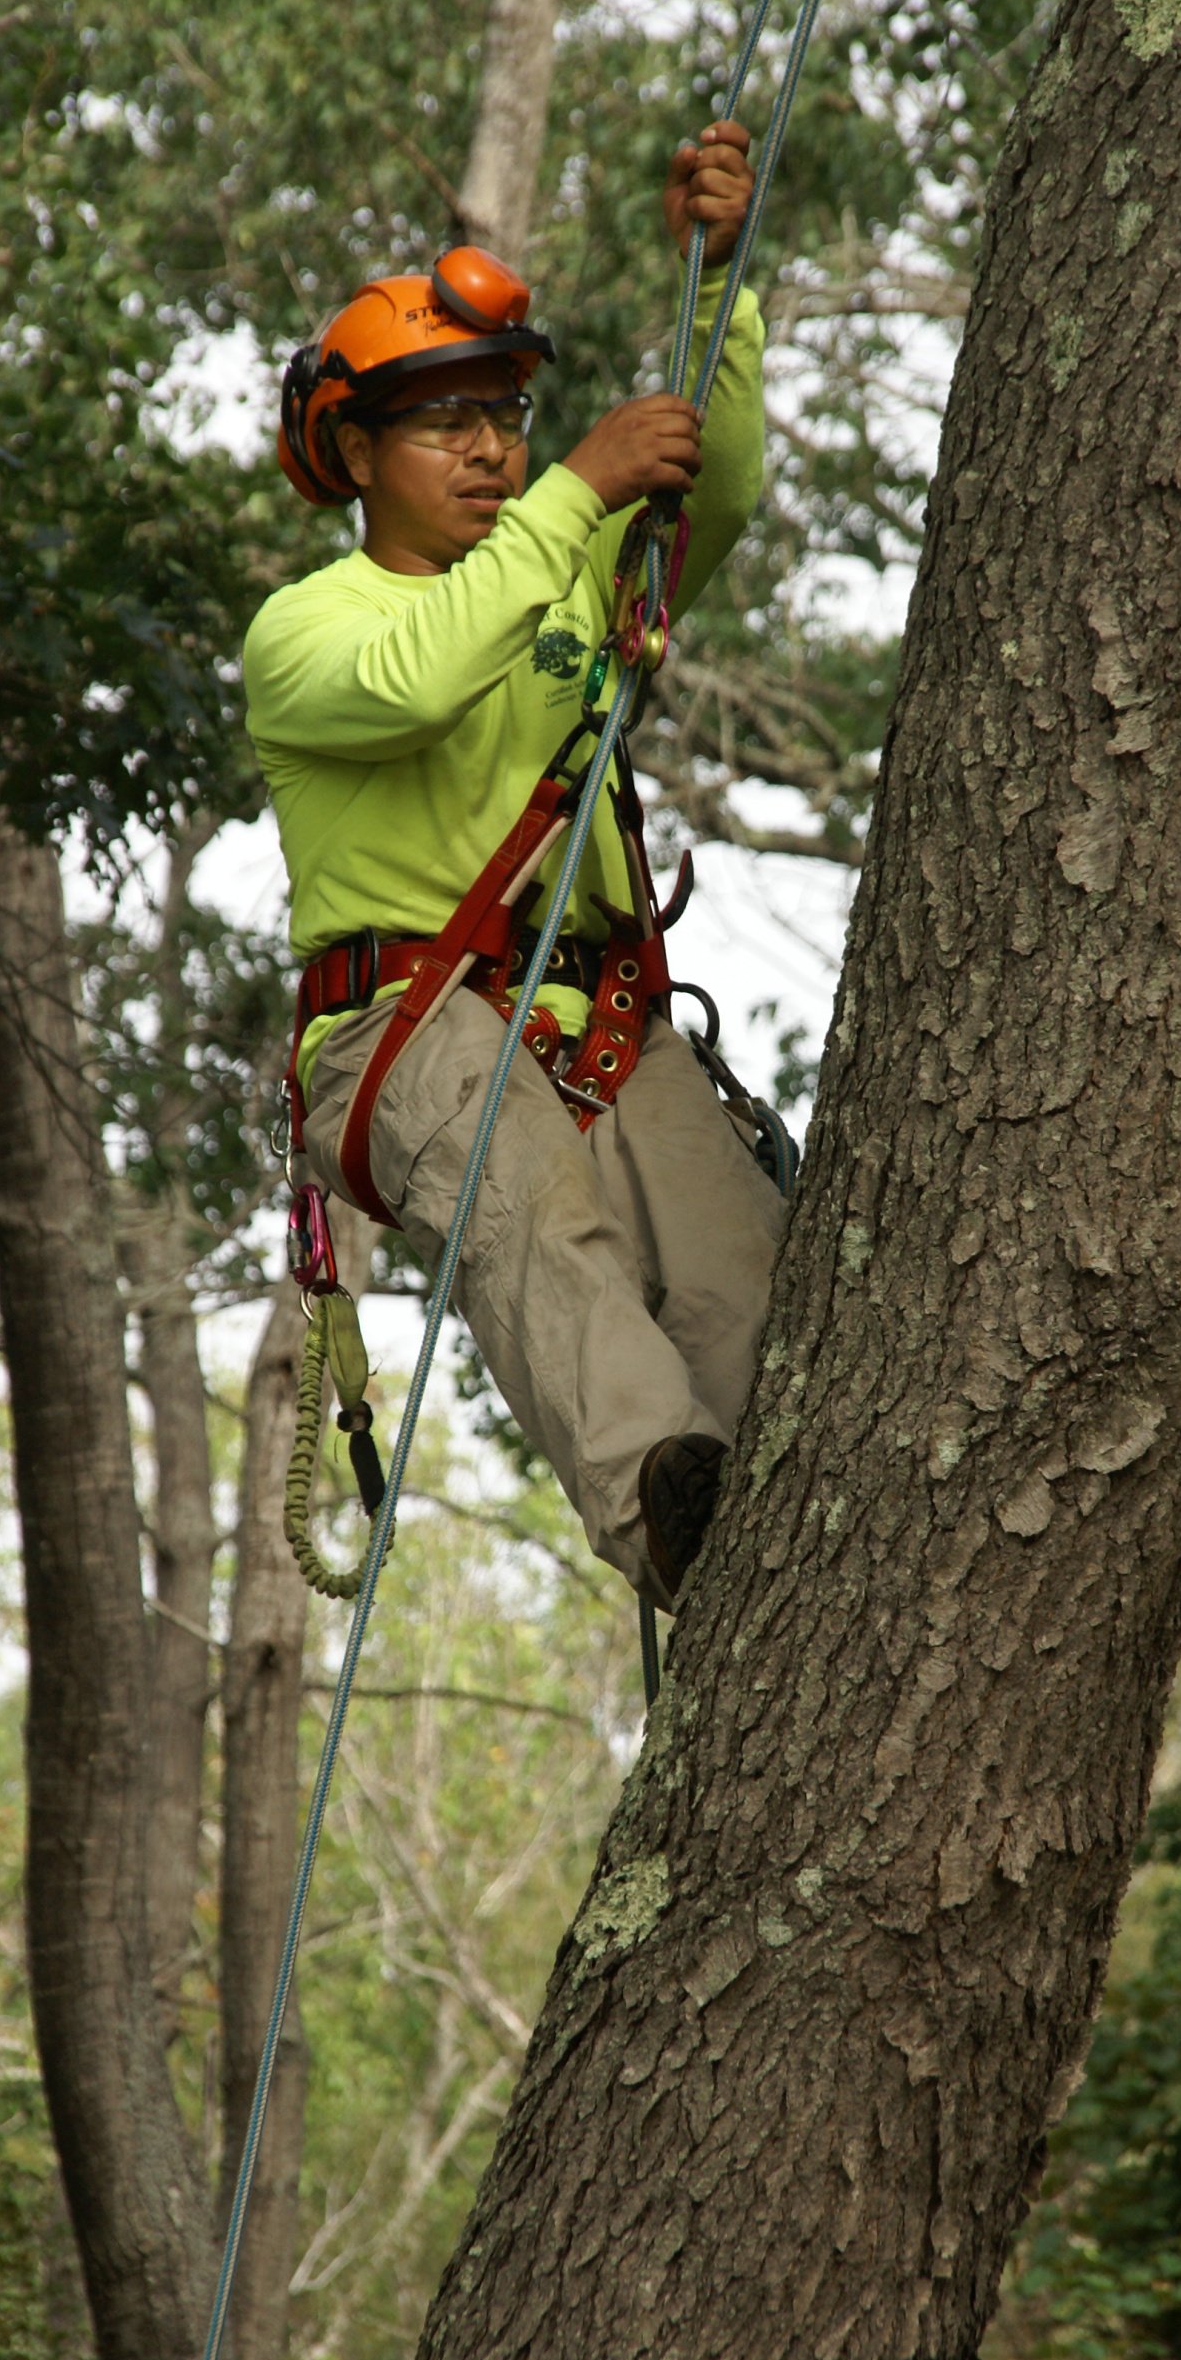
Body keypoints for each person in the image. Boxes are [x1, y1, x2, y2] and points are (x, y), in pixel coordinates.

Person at [244, 123, 786, 1607]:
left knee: (751, 1284)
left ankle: (781, 1542)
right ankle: (662, 1498)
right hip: (410, 1026)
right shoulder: (309, 630)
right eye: (444, 423)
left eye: (506, 415)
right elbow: (422, 679)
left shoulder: (568, 576)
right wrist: (575, 491)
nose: (492, 448)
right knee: (543, 1225)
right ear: (357, 455)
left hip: (597, 1017)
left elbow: (718, 492)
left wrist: (719, 287)